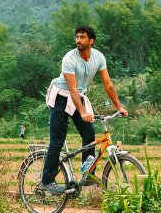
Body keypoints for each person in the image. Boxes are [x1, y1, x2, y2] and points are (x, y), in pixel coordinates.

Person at [38, 25, 127, 194]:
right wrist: (83, 112)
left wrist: (119, 106)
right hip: (61, 96)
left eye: (82, 37)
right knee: (57, 139)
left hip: (79, 96)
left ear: (91, 41)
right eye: (77, 37)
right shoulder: (69, 58)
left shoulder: (98, 57)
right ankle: (46, 181)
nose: (78, 40)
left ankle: (88, 174)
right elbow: (72, 89)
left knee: (89, 133)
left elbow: (108, 84)